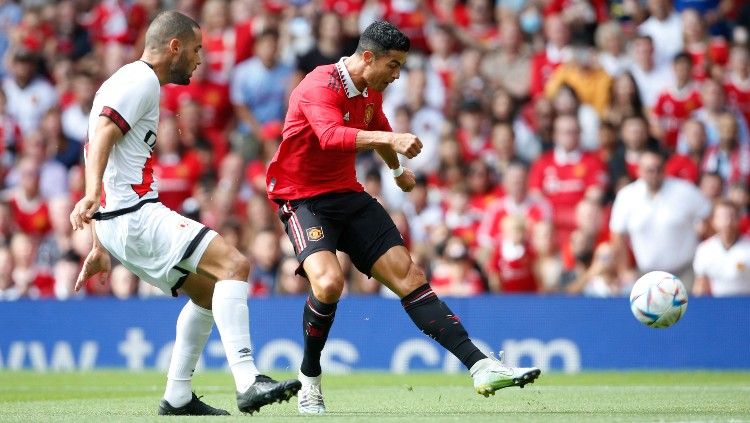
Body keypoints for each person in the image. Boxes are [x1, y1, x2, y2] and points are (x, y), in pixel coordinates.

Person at [266, 21, 540, 415]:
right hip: (301, 198)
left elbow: (378, 125)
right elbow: (330, 135)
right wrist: (391, 143)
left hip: (347, 193)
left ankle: (480, 366)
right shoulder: (318, 85)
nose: (397, 75)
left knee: (410, 276)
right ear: (367, 57)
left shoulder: (370, 90)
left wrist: (397, 171)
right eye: (393, 66)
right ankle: (310, 380)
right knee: (328, 283)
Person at [68, 11, 300, 416]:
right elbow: (102, 134)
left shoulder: (127, 81)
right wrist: (90, 198)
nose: (199, 60)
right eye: (195, 50)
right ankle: (248, 381)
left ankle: (176, 396)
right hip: (135, 214)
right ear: (173, 47)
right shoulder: (139, 80)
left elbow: (98, 147)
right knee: (234, 264)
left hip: (119, 222)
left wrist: (99, 241)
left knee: (211, 293)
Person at [693, 200, 750, 296]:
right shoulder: (704, 249)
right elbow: (701, 285)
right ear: (713, 221)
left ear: (739, 219)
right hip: (718, 305)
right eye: (723, 217)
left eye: (732, 216)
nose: (728, 222)